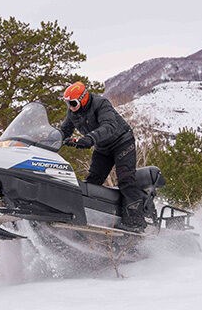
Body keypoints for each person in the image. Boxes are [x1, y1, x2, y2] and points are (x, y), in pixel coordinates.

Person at [59, 81, 147, 233]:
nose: (70, 107)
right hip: (103, 147)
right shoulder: (73, 113)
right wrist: (51, 139)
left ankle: (136, 221)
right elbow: (64, 130)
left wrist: (90, 138)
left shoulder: (101, 104)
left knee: (125, 180)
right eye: (68, 103)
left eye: (73, 103)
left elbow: (109, 126)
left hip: (122, 142)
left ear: (83, 98)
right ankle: (91, 216)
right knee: (93, 180)